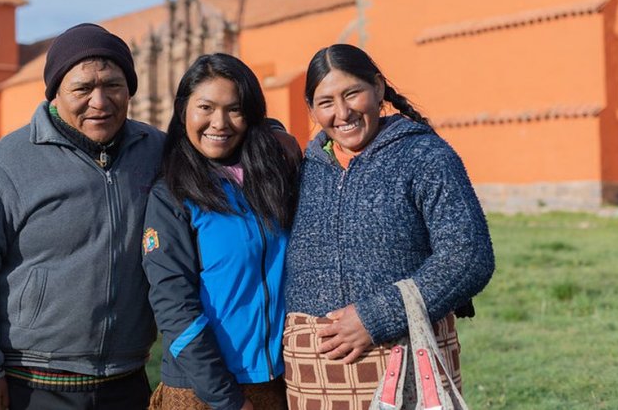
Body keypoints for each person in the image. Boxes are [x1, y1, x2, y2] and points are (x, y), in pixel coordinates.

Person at [0, 23, 164, 410]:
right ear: (55, 92)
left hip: (128, 377)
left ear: (129, 89)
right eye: (82, 88)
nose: (100, 101)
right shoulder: (5, 164)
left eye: (113, 85)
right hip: (33, 382)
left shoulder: (157, 151)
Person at [282, 44, 495, 409]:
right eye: (326, 102)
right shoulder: (306, 169)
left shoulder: (425, 156)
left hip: (404, 360)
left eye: (352, 93)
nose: (342, 112)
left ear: (378, 89)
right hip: (313, 378)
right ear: (311, 109)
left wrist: (376, 316)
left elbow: (469, 255)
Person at [141, 53, 300, 410]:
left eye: (234, 109)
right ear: (183, 111)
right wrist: (226, 399)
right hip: (204, 392)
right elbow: (174, 308)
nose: (220, 122)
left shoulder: (272, 179)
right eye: (206, 108)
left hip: (280, 382)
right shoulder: (171, 197)